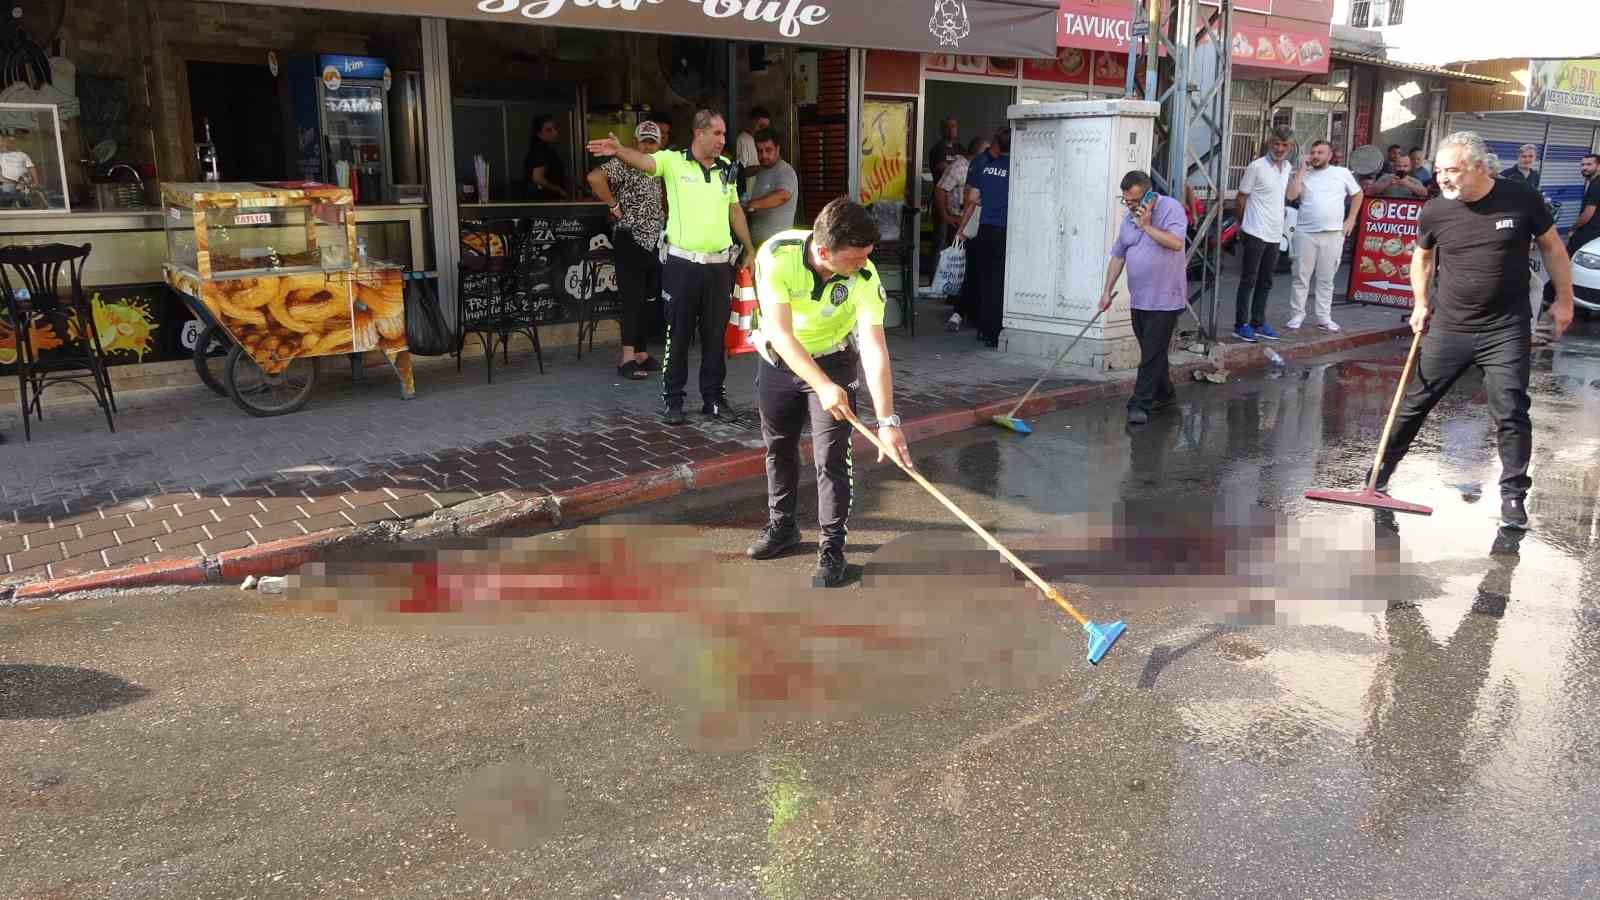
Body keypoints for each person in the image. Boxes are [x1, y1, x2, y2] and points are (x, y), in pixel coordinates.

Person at [1374, 130, 1575, 531]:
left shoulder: (1521, 198)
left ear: (1480, 167)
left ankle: (1513, 496)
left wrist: (1565, 299)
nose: (1444, 178)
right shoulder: (1435, 210)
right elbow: (1423, 257)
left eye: (1453, 170)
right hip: (1451, 326)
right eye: (1440, 170)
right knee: (1415, 403)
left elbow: (1553, 247)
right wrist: (1420, 301)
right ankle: (1379, 476)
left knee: (1512, 411)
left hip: (1506, 327)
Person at [743, 198, 911, 588]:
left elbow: (873, 348)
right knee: (779, 447)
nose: (863, 266)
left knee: (832, 459)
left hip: (835, 361)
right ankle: (782, 527)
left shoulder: (865, 276)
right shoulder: (776, 255)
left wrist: (887, 421)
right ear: (823, 252)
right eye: (855, 259)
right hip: (780, 361)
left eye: (867, 257)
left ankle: (832, 548)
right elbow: (781, 335)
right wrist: (820, 386)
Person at [587, 109, 758, 426]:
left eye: (724, 134)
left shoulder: (727, 169)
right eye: (717, 134)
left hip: (720, 266)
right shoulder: (674, 160)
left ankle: (714, 399)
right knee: (677, 335)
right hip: (682, 265)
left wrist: (749, 248)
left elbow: (734, 211)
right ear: (700, 133)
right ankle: (673, 400)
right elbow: (646, 162)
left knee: (713, 336)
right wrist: (620, 150)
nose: (723, 140)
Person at [1099, 171, 1187, 426]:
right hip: (1140, 298)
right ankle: (1166, 394)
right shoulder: (1128, 219)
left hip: (1166, 297)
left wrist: (1146, 225)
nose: (1130, 206)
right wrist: (1106, 291)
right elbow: (1118, 255)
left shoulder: (1171, 209)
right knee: (1154, 351)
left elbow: (1176, 243)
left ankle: (1140, 404)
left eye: (1135, 201)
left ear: (1150, 194)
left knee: (1150, 353)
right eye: (1126, 201)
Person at [586, 120, 666, 380]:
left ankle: (641, 352)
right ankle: (627, 357)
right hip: (630, 238)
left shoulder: (659, 166)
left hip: (653, 241)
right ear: (635, 142)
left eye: (652, 141)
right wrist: (613, 205)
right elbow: (594, 177)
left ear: (660, 143)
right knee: (632, 299)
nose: (648, 146)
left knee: (646, 299)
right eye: (644, 141)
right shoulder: (624, 162)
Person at [1285, 139, 1362, 332]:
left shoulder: (1341, 173)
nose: (1316, 156)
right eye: (1314, 152)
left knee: (1326, 278)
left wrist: (1351, 219)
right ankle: (1297, 315)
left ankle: (1324, 317)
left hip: (1333, 233)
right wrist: (1302, 170)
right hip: (1305, 232)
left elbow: (1357, 194)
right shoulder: (1303, 175)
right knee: (1300, 276)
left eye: (1321, 152)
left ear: (1329, 155)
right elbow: (1291, 195)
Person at [1232, 125, 1294, 343]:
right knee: (1248, 280)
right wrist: (1244, 224)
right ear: (1270, 142)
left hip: (1275, 234)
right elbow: (1240, 198)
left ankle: (1258, 322)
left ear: (1290, 147)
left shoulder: (1287, 168)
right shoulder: (1256, 167)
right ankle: (1241, 325)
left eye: (1284, 145)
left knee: (1266, 281)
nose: (1279, 148)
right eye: (1276, 143)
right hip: (1255, 232)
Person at [956, 127, 1011, 347]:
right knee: (1000, 281)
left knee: (985, 279)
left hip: (985, 229)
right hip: (1004, 229)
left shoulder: (987, 168)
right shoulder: (1016, 169)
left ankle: (984, 328)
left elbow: (972, 198)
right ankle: (995, 331)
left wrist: (962, 228)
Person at [939, 136, 987, 332]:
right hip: (962, 221)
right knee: (965, 268)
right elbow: (941, 190)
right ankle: (958, 308)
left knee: (969, 268)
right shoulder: (961, 167)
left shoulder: (981, 167)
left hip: (972, 223)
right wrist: (947, 216)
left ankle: (961, 309)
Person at [740, 129, 798, 249]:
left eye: (768, 150)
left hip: (777, 248)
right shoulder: (762, 171)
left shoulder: (785, 171)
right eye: (759, 151)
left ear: (778, 149)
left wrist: (752, 204)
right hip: (760, 246)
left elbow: (782, 196)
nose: (763, 155)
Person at [524, 115, 568, 201]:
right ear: (539, 134)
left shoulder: (544, 151)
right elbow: (537, 177)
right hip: (545, 200)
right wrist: (559, 190)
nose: (555, 133)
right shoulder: (541, 151)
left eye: (555, 128)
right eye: (549, 130)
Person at [735, 106, 772, 194]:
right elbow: (741, 171)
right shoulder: (743, 140)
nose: (764, 130)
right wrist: (764, 167)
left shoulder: (764, 140)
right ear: (751, 122)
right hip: (749, 195)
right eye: (761, 126)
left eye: (766, 127)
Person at [1363, 152, 1429, 200]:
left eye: (1405, 166)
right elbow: (1369, 192)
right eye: (1398, 166)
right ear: (1394, 167)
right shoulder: (1385, 177)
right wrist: (1388, 182)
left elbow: (1424, 193)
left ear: (1410, 167)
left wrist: (1407, 184)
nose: (1402, 168)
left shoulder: (1414, 180)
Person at [928, 115, 961, 184]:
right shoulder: (937, 149)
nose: (951, 130)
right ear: (942, 130)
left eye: (953, 126)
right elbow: (949, 172)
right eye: (947, 127)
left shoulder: (960, 148)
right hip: (942, 192)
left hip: (956, 192)